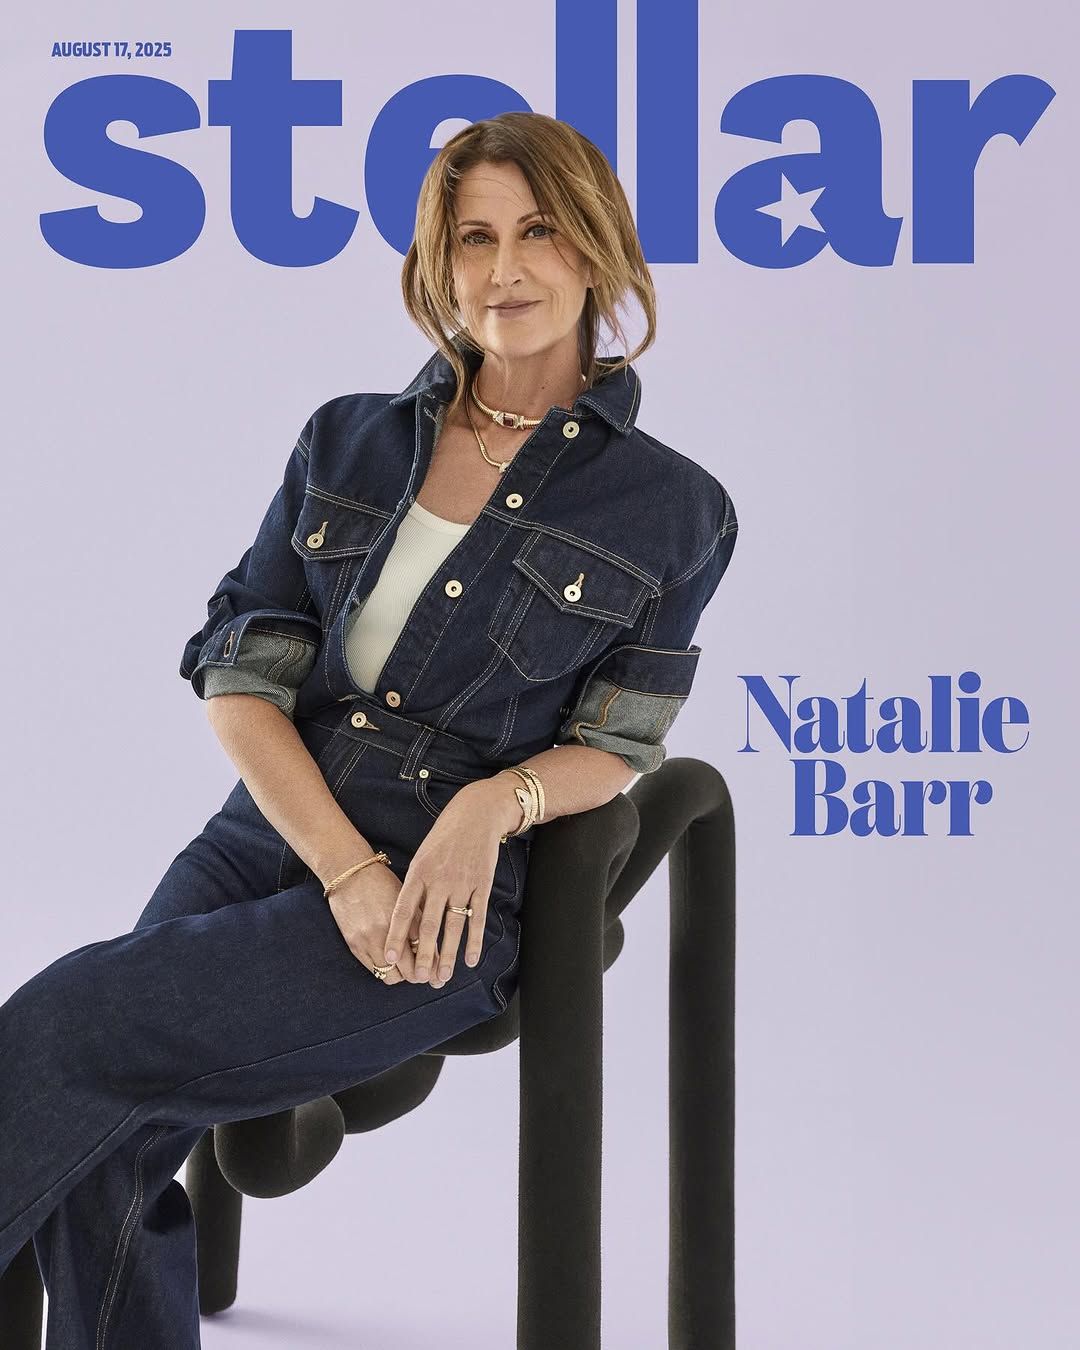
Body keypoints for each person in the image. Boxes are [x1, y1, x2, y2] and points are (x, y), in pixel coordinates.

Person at [0, 111, 738, 1342]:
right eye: (474, 239)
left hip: (444, 901)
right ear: (438, 263)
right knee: (100, 1132)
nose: (504, 269)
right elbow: (242, 673)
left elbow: (619, 743)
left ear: (597, 247)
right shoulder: (347, 439)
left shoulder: (673, 508)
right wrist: (342, 866)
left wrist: (486, 806)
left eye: (539, 232)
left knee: (67, 1029)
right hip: (267, 832)